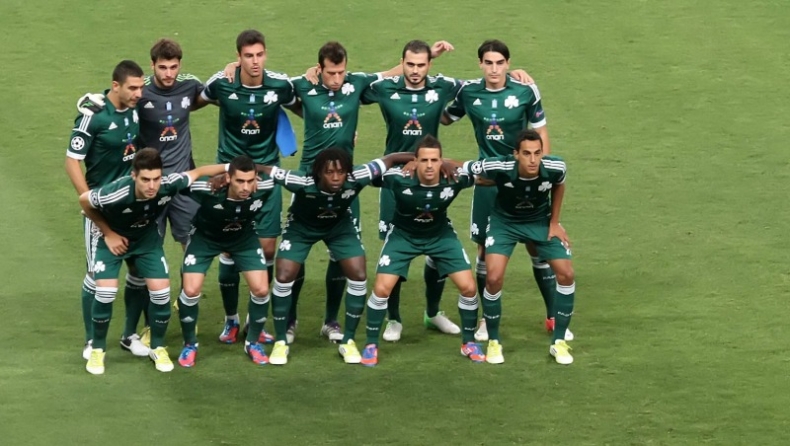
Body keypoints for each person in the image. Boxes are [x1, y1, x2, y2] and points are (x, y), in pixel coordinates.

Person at [362, 40, 534, 342]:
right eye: (409, 64)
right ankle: (394, 319)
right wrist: (314, 71)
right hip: (395, 179)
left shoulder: (444, 86)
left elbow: (485, 83)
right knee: (394, 249)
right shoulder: (384, 88)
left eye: (421, 65)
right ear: (402, 63)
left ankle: (433, 313)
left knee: (435, 243)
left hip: (433, 175)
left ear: (430, 65)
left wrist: (513, 74)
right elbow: (350, 86)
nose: (415, 71)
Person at [77, 39, 208, 350]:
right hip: (143, 190)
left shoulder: (189, 86)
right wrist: (90, 102)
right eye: (162, 67)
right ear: (152, 66)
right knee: (135, 263)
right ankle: (127, 332)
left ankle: (179, 306)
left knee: (189, 247)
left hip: (178, 184)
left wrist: (233, 68)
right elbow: (114, 97)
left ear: (180, 65)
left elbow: (214, 93)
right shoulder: (140, 92)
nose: (168, 73)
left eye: (173, 67)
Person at [442, 39, 571, 343]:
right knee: (485, 251)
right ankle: (486, 320)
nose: (494, 69)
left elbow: (540, 131)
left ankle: (553, 316)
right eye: (488, 63)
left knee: (538, 246)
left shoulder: (526, 90)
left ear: (508, 64)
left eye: (500, 63)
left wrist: (540, 170)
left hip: (526, 178)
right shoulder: (469, 92)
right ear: (480, 64)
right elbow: (445, 117)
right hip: (488, 181)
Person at [78, 148, 230, 374]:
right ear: (134, 176)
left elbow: (198, 172)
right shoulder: (116, 193)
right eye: (145, 180)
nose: (152, 186)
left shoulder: (168, 184)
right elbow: (84, 202)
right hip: (111, 239)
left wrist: (230, 168)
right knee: (106, 292)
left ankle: (157, 347)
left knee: (161, 292)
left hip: (145, 241)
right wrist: (109, 234)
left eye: (156, 179)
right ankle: (97, 349)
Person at [260, 149, 415, 365]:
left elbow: (391, 159)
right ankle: (280, 342)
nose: (336, 178)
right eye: (329, 172)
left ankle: (348, 341)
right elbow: (264, 169)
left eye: (341, 172)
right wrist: (228, 173)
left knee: (358, 273)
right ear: (318, 173)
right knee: (284, 275)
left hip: (339, 228)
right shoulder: (300, 181)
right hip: (301, 228)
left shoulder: (357, 176)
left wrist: (421, 160)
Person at [198, 29, 300, 345]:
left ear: (265, 54)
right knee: (229, 248)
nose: (255, 62)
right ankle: (231, 320)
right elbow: (190, 101)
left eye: (259, 55)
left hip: (266, 178)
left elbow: (307, 104)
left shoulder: (280, 85)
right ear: (238, 56)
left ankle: (257, 321)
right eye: (248, 56)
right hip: (229, 179)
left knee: (267, 249)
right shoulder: (222, 84)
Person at [361, 135, 484, 366]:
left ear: (441, 161)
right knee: (381, 288)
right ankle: (370, 345)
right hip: (403, 236)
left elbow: (485, 176)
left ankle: (469, 343)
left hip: (440, 235)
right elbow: (368, 175)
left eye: (435, 160)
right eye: (424, 160)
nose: (429, 166)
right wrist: (395, 158)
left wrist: (452, 163)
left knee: (468, 287)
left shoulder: (454, 177)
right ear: (415, 161)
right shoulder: (398, 178)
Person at [459, 129, 576, 364]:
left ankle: (559, 342)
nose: (533, 160)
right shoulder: (499, 166)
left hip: (539, 221)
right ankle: (494, 342)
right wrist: (427, 162)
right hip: (504, 224)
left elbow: (559, 184)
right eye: (526, 153)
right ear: (516, 154)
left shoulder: (555, 167)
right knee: (493, 278)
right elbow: (463, 167)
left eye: (537, 153)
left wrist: (554, 222)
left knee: (566, 274)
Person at [65, 60, 146, 361]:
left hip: (133, 206)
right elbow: (71, 161)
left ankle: (130, 336)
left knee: (138, 269)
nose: (139, 93)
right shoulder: (93, 117)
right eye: (133, 88)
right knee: (96, 274)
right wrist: (87, 199)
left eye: (141, 87)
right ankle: (91, 341)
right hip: (102, 207)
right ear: (115, 86)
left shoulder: (135, 108)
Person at [176, 155, 275, 367]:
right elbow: (178, 182)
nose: (246, 187)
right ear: (229, 178)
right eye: (240, 181)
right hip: (205, 239)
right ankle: (190, 344)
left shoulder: (265, 187)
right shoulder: (206, 189)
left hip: (243, 239)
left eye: (250, 181)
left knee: (261, 290)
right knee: (190, 290)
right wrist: (204, 172)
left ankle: (252, 342)